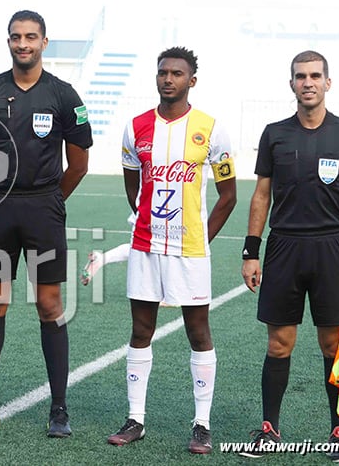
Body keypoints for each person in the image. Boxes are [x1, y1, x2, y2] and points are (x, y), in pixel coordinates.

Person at [0, 10, 92, 438]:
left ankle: (59, 409)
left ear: (44, 42)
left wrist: (50, 200)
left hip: (43, 209)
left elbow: (79, 164)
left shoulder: (64, 95)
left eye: (31, 37)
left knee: (49, 305)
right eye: (16, 37)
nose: (23, 44)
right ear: (8, 41)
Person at [106, 47, 237, 454]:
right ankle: (135, 419)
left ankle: (202, 424)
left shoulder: (210, 129)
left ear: (191, 80)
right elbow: (133, 186)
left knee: (198, 332)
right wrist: (147, 221)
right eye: (163, 72)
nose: (168, 79)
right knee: (140, 330)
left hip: (190, 250)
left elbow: (228, 196)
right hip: (145, 246)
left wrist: (200, 238)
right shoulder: (136, 127)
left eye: (177, 73)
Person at [240, 50, 339, 462]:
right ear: (291, 83)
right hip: (284, 248)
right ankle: (269, 430)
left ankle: (338, 433)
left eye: (314, 76)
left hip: (331, 248)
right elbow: (261, 195)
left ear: (328, 82)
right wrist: (251, 251)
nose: (307, 82)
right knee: (279, 344)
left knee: (332, 346)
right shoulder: (274, 134)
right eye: (300, 76)